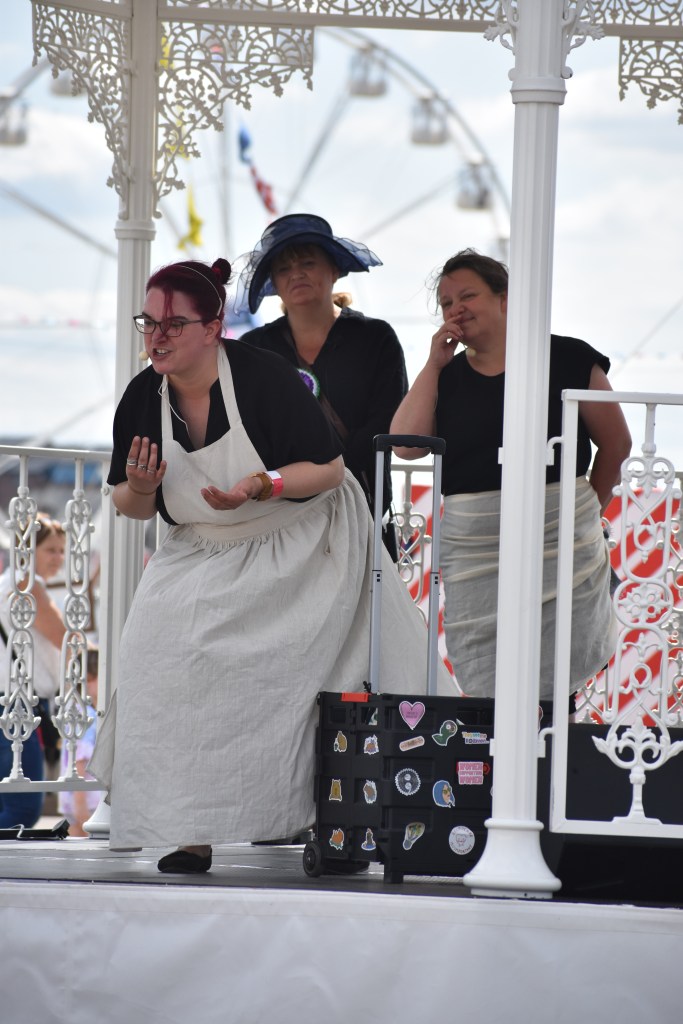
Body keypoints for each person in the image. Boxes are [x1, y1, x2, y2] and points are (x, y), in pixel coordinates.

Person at [89, 257, 453, 875]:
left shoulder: (262, 377)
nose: (157, 335)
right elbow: (128, 502)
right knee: (155, 653)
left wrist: (262, 484)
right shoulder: (142, 396)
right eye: (148, 323)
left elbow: (329, 470)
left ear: (212, 328)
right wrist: (142, 486)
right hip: (201, 545)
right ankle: (188, 828)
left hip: (301, 538)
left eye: (173, 324)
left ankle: (328, 823)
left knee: (293, 678)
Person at [390, 249, 632, 700]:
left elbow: (617, 444)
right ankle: (500, 746)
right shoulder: (445, 376)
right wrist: (433, 366)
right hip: (474, 548)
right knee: (487, 674)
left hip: (560, 535)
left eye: (467, 296)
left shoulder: (569, 356)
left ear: (505, 299)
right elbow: (405, 444)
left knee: (559, 667)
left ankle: (552, 742)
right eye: (446, 303)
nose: (456, 309)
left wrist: (582, 511)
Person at [238, 213, 408, 559]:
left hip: (360, 510)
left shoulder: (375, 338)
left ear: (334, 269)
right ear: (274, 282)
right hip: (277, 520)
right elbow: (246, 428)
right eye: (284, 268)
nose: (296, 274)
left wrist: (325, 475)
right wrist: (294, 481)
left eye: (307, 263)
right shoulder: (254, 348)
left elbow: (386, 421)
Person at [0, 513, 65, 828]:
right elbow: (67, 640)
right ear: (27, 550)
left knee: (11, 803)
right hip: (17, 706)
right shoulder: (27, 585)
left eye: (63, 550)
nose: (59, 558)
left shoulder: (7, 583)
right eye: (50, 549)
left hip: (10, 701)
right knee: (23, 810)